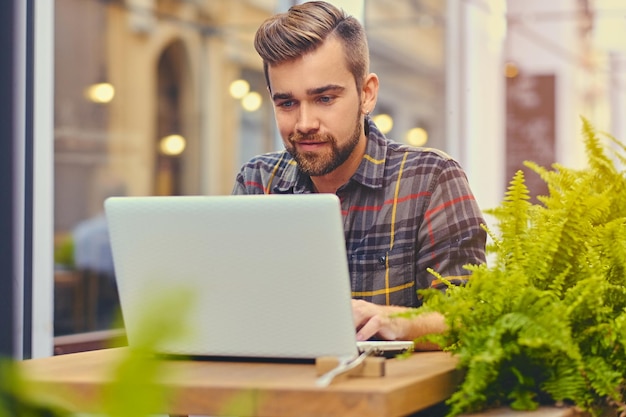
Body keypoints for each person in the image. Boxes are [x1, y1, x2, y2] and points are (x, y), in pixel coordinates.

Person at [232, 1, 486, 349]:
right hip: (279, 395)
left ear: (367, 94)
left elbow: (472, 318)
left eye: (324, 98)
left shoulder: (431, 178)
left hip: (393, 399)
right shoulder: (256, 181)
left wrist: (398, 321)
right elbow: (235, 311)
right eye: (287, 103)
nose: (304, 123)